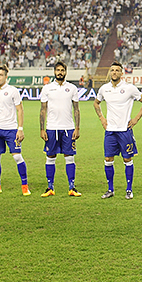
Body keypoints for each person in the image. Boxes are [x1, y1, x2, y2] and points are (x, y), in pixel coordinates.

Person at [94, 62, 142, 200]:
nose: (114, 72)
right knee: (108, 159)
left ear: (121, 73)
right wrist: (102, 118)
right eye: (112, 70)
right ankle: (110, 189)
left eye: (117, 70)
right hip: (110, 131)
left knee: (127, 159)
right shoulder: (104, 89)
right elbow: (96, 103)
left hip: (124, 130)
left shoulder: (129, 88)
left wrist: (136, 118)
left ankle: (129, 190)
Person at [0, 65, 30, 196]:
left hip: (11, 130)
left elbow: (20, 110)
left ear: (6, 77)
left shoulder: (12, 91)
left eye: (1, 75)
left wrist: (20, 129)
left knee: (17, 157)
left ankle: (25, 185)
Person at [39, 61, 82, 197]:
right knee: (50, 156)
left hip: (68, 128)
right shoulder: (47, 88)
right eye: (57, 70)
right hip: (51, 128)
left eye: (62, 70)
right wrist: (42, 129)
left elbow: (76, 109)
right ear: (54, 72)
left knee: (69, 157)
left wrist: (77, 128)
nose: (60, 72)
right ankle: (50, 187)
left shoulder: (72, 88)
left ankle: (72, 187)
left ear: (66, 72)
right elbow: (43, 109)